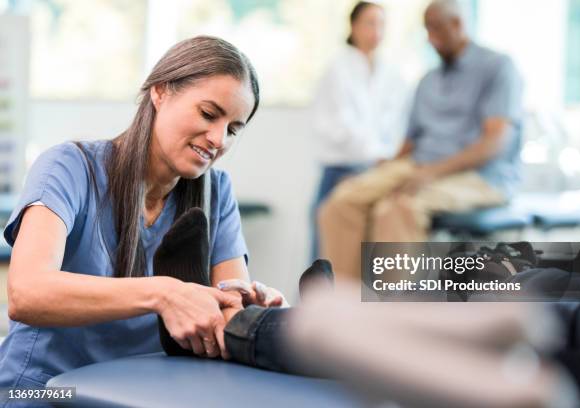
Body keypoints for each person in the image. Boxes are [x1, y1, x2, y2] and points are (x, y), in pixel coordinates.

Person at [0, 36, 285, 401]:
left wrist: (251, 313)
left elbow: (223, 317)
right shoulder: (69, 167)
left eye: (232, 129)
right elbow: (27, 294)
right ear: (161, 92)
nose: (218, 140)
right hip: (45, 392)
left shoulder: (216, 192)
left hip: (139, 396)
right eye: (209, 114)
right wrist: (164, 293)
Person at [318, 0, 523, 280]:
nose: (430, 39)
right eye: (427, 30)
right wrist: (380, 172)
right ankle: (344, 310)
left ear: (458, 25)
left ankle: (396, 315)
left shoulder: (497, 67)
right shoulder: (428, 80)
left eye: (436, 29)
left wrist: (430, 173)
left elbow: (494, 142)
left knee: (396, 209)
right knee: (341, 202)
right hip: (420, 164)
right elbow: (410, 144)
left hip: (481, 175)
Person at [310, 1, 410, 260]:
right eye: (369, 23)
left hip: (376, 173)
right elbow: (342, 126)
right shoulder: (338, 68)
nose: (376, 31)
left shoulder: (389, 72)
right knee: (328, 257)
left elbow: (395, 121)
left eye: (381, 24)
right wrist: (377, 154)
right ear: (353, 26)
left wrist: (389, 156)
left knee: (363, 256)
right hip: (341, 171)